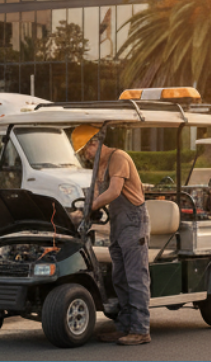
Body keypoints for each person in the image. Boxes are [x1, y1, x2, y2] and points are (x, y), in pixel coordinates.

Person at [68, 124, 151, 346]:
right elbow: (95, 194)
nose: (85, 156)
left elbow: (113, 191)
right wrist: (78, 214)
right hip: (118, 222)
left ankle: (141, 329)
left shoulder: (118, 158)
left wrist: (90, 207)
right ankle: (124, 327)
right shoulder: (99, 165)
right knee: (119, 278)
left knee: (135, 278)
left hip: (134, 221)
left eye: (85, 150)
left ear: (95, 143)